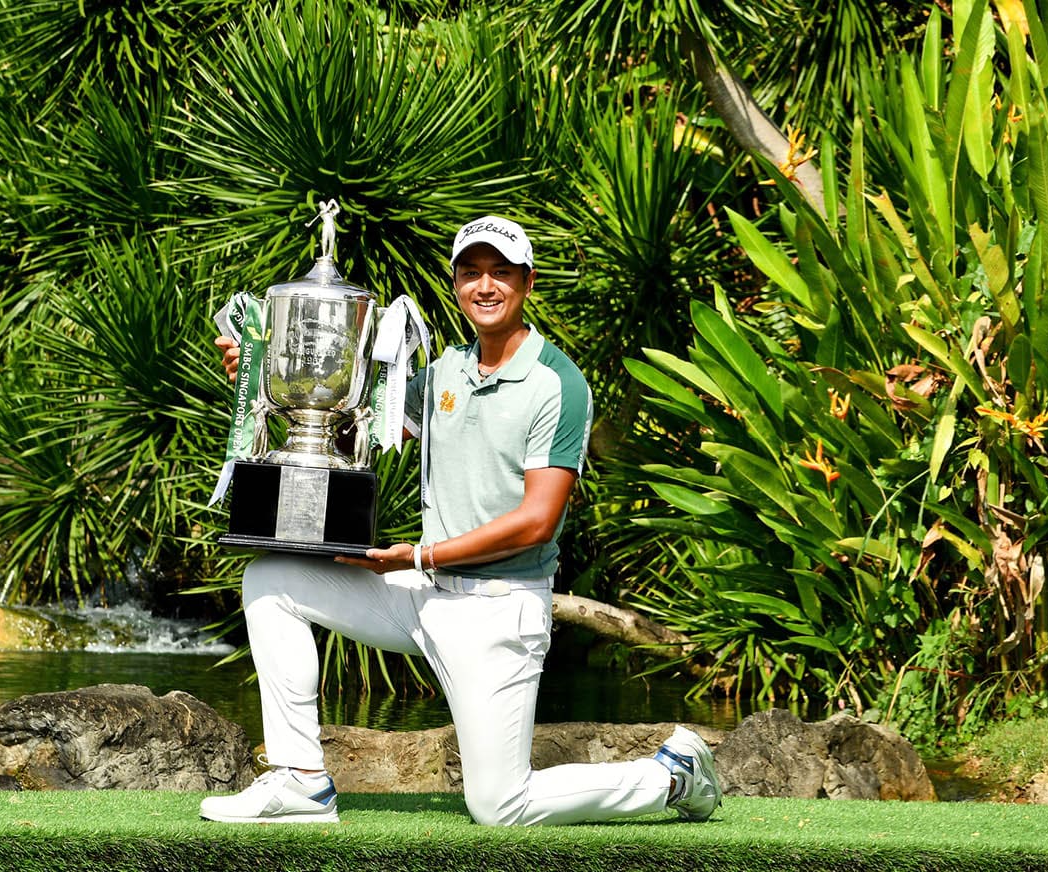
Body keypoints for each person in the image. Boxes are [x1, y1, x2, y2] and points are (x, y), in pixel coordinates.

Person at [201, 216, 721, 826]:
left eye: (501, 272)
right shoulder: (445, 373)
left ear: (527, 282)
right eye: (471, 272)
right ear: (456, 284)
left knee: (500, 806)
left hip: (499, 609)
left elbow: (537, 523)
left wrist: (419, 556)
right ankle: (299, 783)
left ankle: (671, 775)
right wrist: (267, 372)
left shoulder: (558, 383)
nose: (486, 285)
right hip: (425, 596)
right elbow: (353, 424)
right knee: (271, 580)